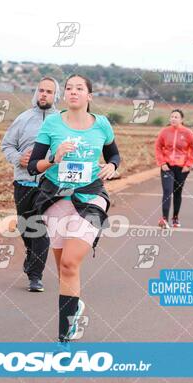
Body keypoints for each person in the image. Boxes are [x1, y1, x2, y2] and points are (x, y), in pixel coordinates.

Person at [27, 74, 120, 343]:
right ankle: (74, 305)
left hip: (90, 196)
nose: (73, 92)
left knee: (69, 262)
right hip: (56, 197)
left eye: (80, 88)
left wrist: (112, 166)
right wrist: (54, 158)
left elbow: (114, 154)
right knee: (63, 271)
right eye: (69, 88)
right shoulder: (53, 123)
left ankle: (63, 338)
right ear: (64, 95)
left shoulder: (101, 124)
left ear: (89, 96)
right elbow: (33, 165)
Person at [1, 77, 60, 292]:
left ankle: (36, 275)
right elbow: (7, 145)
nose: (44, 94)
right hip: (24, 182)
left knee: (41, 229)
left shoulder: (61, 121)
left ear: (56, 96)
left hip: (50, 183)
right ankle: (30, 254)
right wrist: (19, 159)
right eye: (41, 90)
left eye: (49, 92)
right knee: (26, 226)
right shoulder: (23, 119)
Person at [155, 110, 193, 229]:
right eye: (172, 117)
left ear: (181, 120)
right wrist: (162, 162)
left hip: (182, 167)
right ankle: (164, 219)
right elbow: (158, 147)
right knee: (167, 190)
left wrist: (189, 164)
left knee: (177, 192)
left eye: (176, 117)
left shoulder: (188, 133)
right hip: (167, 166)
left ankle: (175, 217)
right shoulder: (164, 132)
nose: (173, 119)